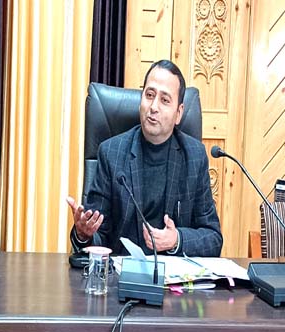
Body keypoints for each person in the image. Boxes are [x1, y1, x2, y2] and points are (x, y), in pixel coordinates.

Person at [66, 60, 222, 256]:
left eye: (165, 100)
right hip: (122, 271)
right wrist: (84, 235)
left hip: (173, 274)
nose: (153, 106)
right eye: (149, 95)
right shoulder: (111, 153)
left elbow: (213, 238)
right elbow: (98, 235)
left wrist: (177, 240)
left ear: (179, 113)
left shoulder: (194, 157)